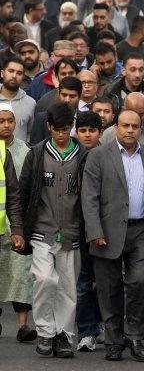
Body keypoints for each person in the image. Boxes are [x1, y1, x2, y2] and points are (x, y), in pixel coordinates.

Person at [81, 110, 144, 362]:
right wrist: (94, 231)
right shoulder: (97, 155)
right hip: (106, 232)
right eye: (125, 125)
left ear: (141, 128)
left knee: (139, 282)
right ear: (116, 127)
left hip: (141, 230)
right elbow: (89, 197)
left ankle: (135, 335)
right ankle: (114, 341)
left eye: (134, 126)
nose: (129, 130)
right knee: (108, 289)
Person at [12, 103, 87, 358]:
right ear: (49, 127)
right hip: (42, 230)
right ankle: (45, 331)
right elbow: (22, 194)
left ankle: (63, 336)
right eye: (58, 130)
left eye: (66, 129)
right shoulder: (37, 153)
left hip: (72, 232)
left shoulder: (83, 155)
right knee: (44, 279)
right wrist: (19, 228)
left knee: (68, 287)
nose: (62, 134)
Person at [0, 103, 34, 344]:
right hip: (3, 225)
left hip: (15, 223)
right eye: (1, 120)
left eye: (10, 120)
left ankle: (23, 327)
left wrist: (20, 226)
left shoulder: (25, 150)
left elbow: (20, 192)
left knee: (21, 274)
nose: (6, 125)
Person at [0, 55, 35, 141]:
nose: (14, 76)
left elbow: (30, 133)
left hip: (20, 153)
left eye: (19, 73)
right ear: (2, 73)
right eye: (11, 71)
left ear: (23, 77)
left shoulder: (30, 103)